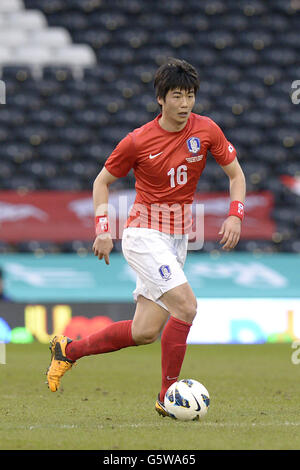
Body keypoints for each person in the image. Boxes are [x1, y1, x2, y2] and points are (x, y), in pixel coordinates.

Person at [46, 58, 246, 418]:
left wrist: (235, 213)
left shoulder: (207, 130)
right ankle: (167, 396)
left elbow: (236, 175)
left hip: (178, 238)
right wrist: (103, 229)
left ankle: (68, 351)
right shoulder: (138, 140)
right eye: (176, 96)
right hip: (143, 234)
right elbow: (101, 183)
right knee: (187, 307)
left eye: (190, 96)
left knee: (144, 332)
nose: (185, 104)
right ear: (160, 99)